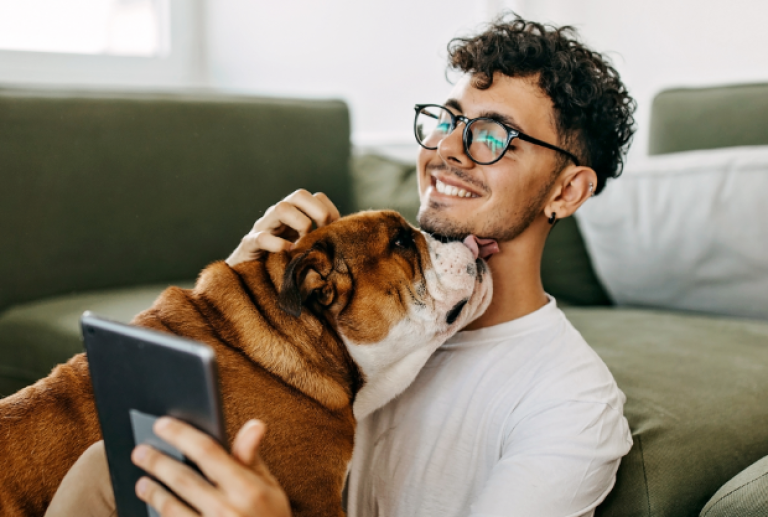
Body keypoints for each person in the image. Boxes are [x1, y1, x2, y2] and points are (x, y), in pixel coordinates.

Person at [46, 14, 636, 517]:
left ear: (567, 192)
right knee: (104, 467)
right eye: (446, 121)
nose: (447, 150)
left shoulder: (570, 405)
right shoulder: (356, 301)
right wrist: (243, 294)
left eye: (494, 136)